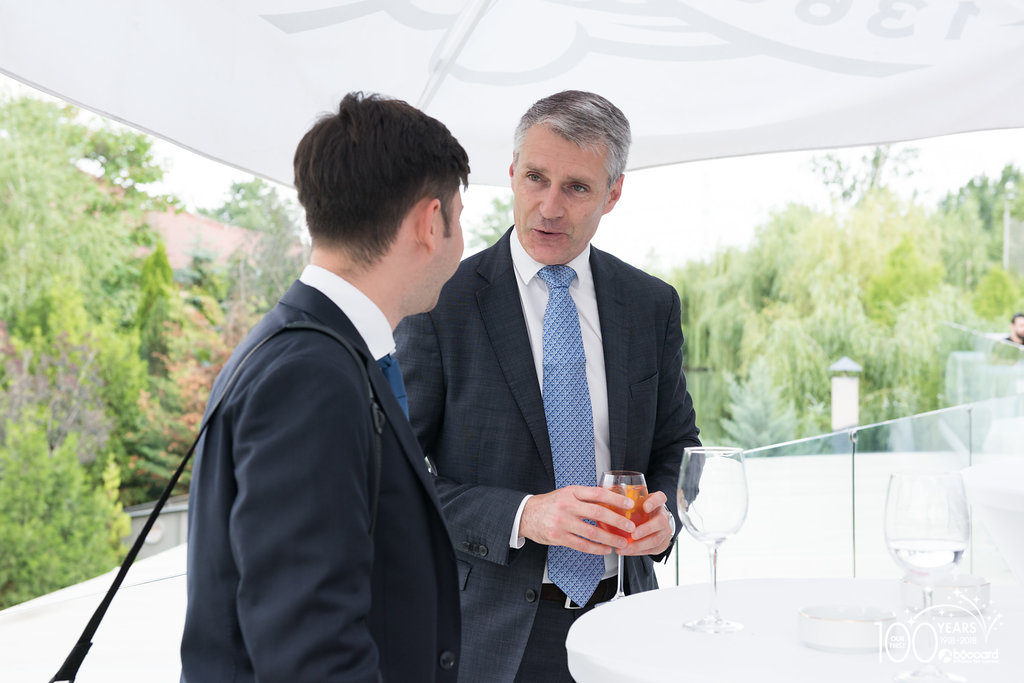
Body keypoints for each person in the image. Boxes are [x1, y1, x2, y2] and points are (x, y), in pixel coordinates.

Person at [395, 90, 702, 682]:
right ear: (512, 173)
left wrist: (666, 518)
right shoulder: (440, 302)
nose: (549, 207)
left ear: (613, 194)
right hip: (490, 637)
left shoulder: (651, 304)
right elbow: (397, 479)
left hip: (628, 622)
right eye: (536, 178)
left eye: (577, 187)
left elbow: (679, 448)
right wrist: (523, 515)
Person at [180, 92, 469, 682]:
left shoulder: (307, 348)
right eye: (459, 217)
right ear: (429, 222)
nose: (461, 240)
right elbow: (311, 653)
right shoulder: (311, 376)